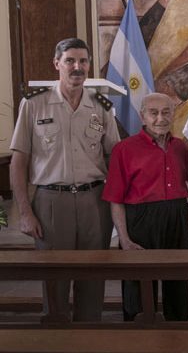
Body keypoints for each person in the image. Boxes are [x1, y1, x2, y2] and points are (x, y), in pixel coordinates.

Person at [9, 37, 120, 321]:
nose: (77, 67)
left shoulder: (102, 106)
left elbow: (114, 159)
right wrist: (24, 212)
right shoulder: (34, 105)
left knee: (93, 276)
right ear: (57, 64)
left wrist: (117, 208)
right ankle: (56, 337)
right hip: (50, 201)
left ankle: (89, 334)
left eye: (83, 61)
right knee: (54, 277)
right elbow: (18, 161)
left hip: (93, 201)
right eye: (70, 60)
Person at [102, 93, 188, 321]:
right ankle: (139, 338)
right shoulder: (124, 149)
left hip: (177, 219)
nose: (160, 118)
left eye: (166, 112)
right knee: (138, 287)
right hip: (141, 222)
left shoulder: (181, 147)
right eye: (154, 113)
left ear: (173, 115)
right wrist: (124, 239)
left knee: (179, 283)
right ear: (142, 116)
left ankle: (180, 336)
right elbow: (115, 199)